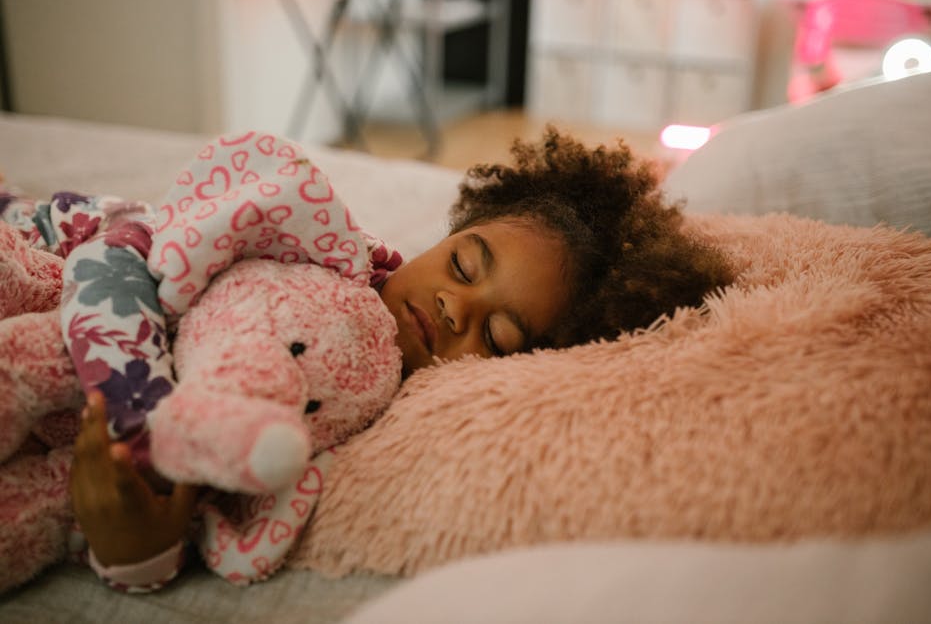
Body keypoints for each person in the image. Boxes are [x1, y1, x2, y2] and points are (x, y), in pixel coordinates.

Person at [66, 126, 733, 589]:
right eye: (465, 263)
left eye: (497, 336)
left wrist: (136, 553)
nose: (453, 308)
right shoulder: (328, 248)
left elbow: (226, 505)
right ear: (452, 233)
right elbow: (181, 228)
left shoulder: (359, 414)